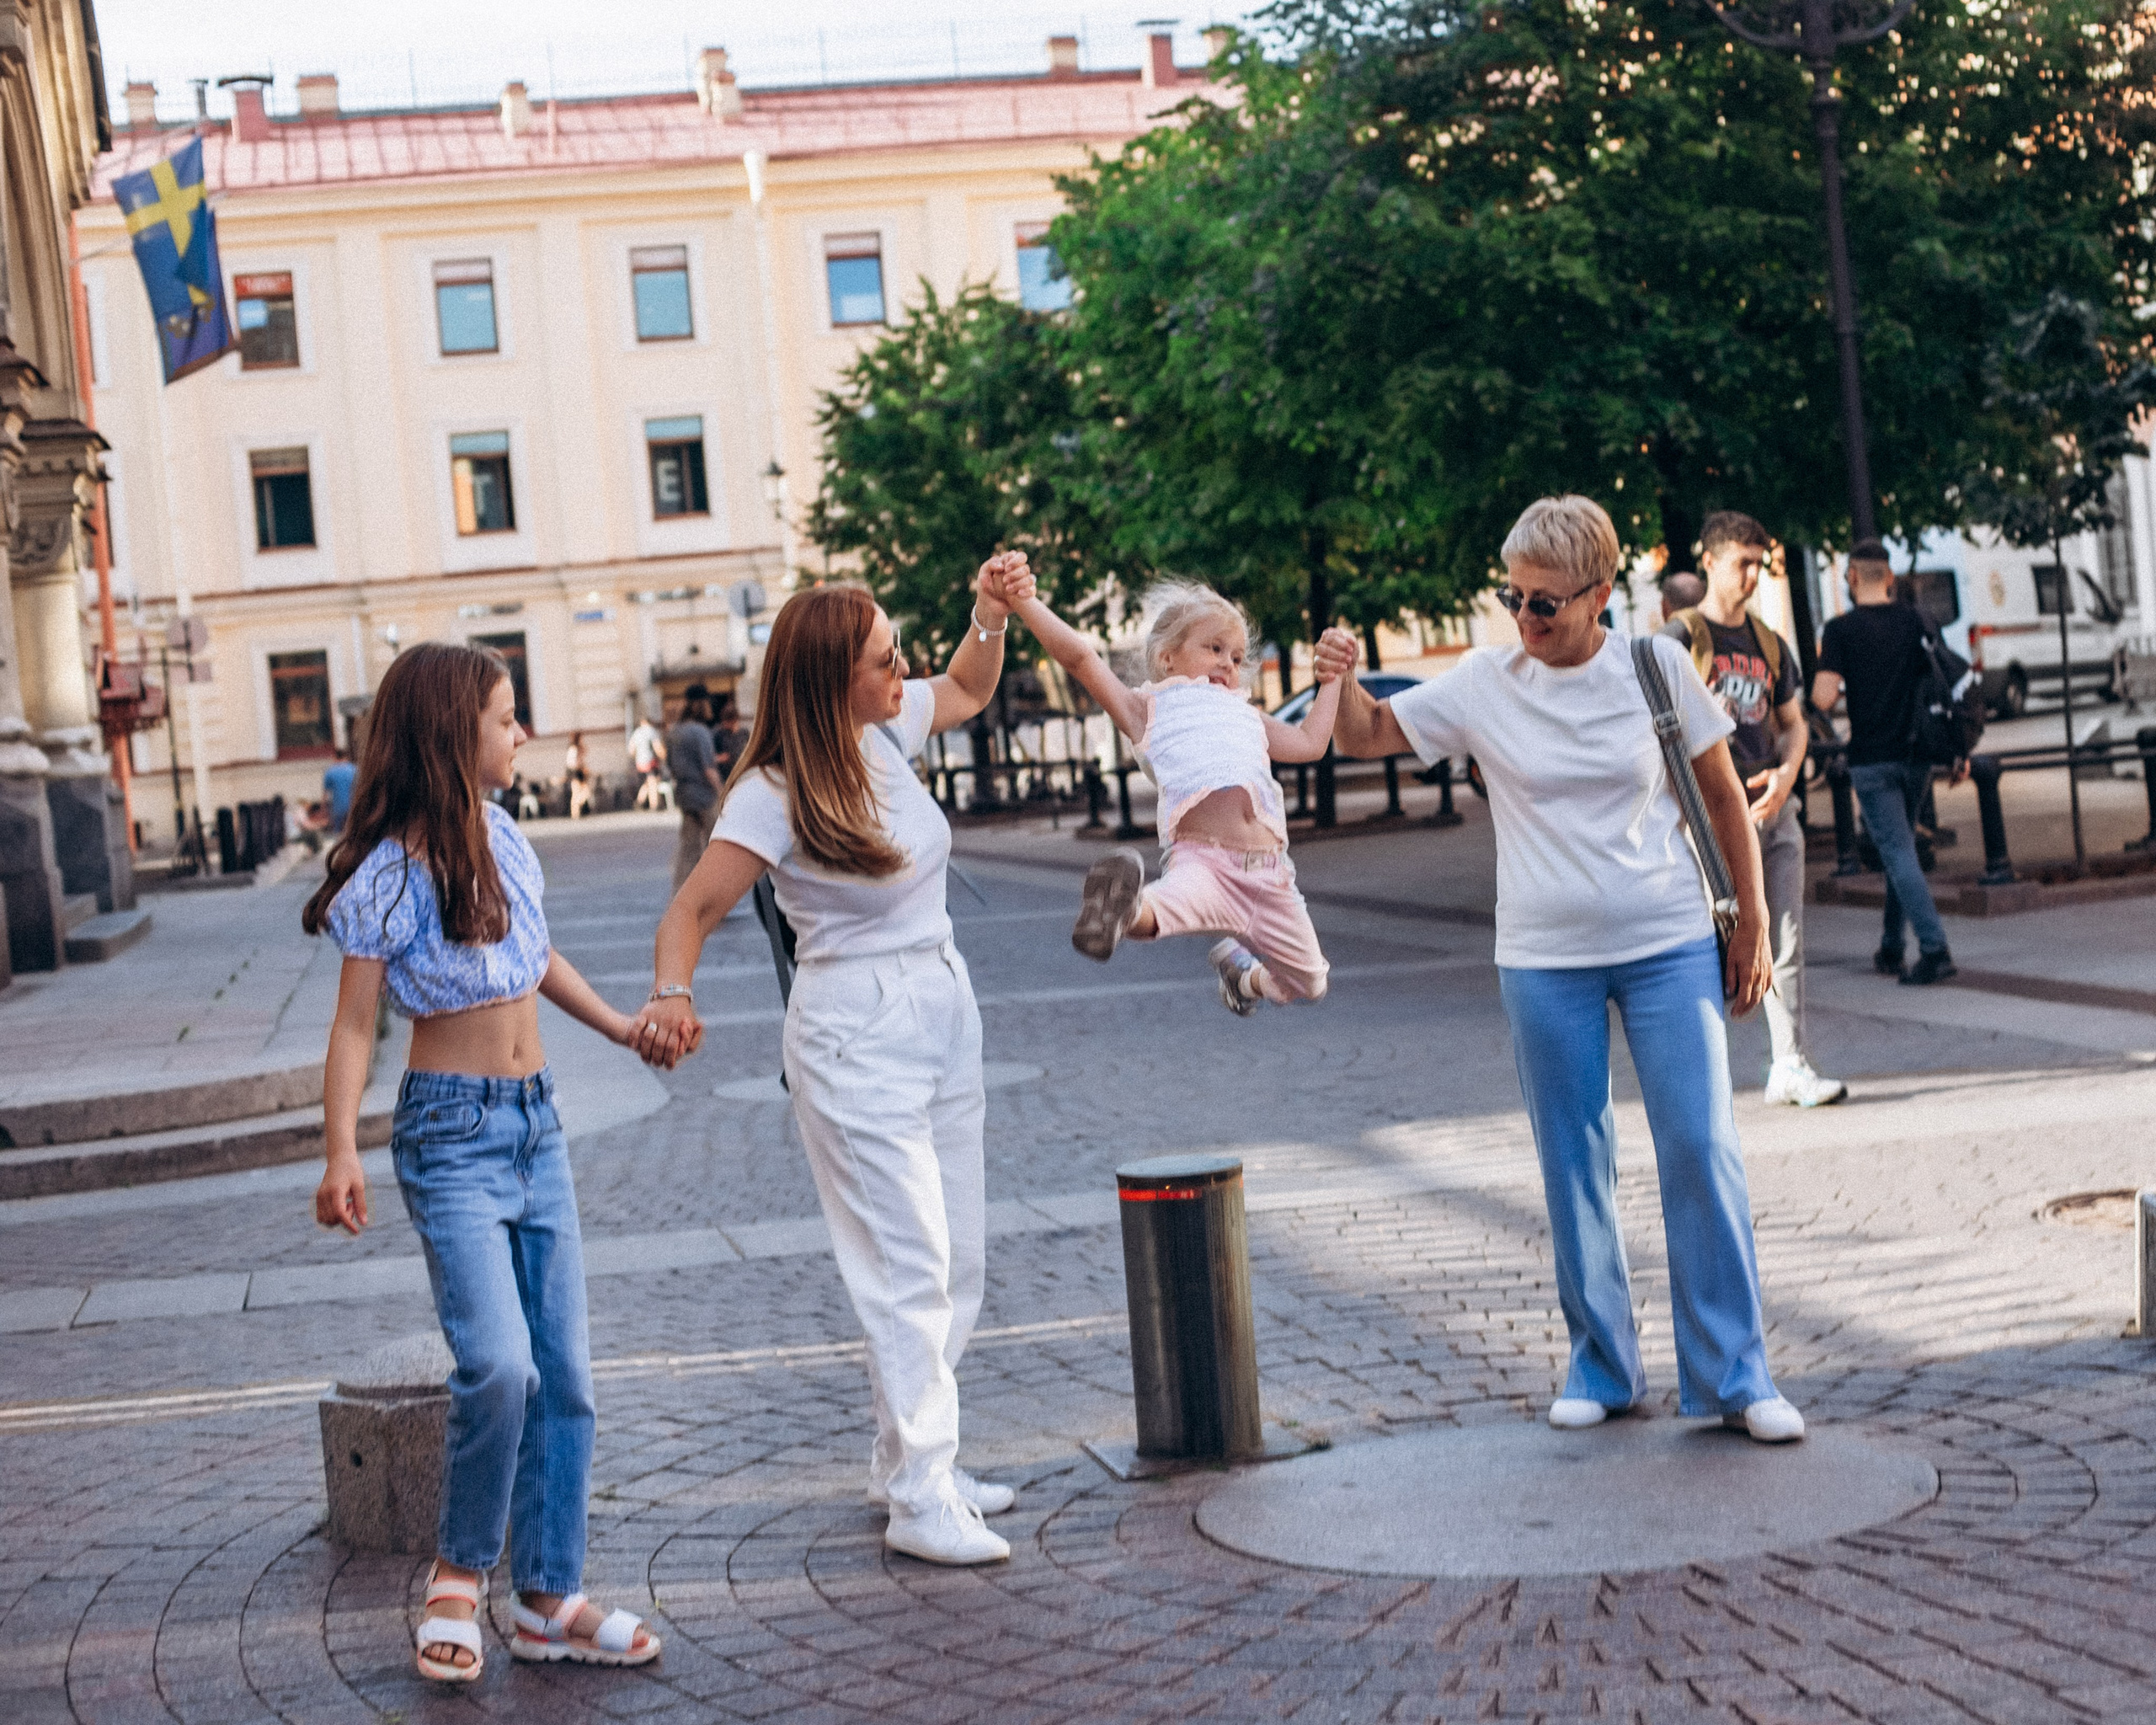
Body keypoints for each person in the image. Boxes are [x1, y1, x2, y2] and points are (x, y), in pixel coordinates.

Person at [1326, 494, 1804, 1443]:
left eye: (1545, 601)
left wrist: (1749, 922)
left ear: (1596, 595)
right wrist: (1339, 679)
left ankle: (1736, 1375)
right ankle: (1603, 1362)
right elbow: (1364, 734)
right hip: (1543, 956)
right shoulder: (1483, 680)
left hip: (1666, 940)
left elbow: (1719, 795)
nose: (1526, 617)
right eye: (1514, 597)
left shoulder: (1654, 661)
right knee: (1572, 1161)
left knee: (1700, 1146)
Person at [637, 557, 1027, 1566]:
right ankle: (921, 1494)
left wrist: (987, 613)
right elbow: (691, 909)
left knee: (960, 1255)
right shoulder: (771, 790)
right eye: (883, 659)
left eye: (900, 654)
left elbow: (974, 685)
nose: (903, 671)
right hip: (856, 1027)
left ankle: (912, 1459)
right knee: (908, 1264)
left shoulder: (884, 732)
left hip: (941, 1000)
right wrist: (672, 994)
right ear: (828, 678)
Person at [302, 642, 663, 1683]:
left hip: (535, 1125)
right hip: (451, 1136)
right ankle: (459, 1573)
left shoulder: (507, 839)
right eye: (508, 718)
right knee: (498, 1364)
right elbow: (353, 1025)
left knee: (568, 1378)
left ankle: (547, 1594)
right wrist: (340, 1150)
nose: (523, 735)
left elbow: (534, 956)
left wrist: (622, 1028)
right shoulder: (385, 875)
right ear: (454, 733)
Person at [1012, 579, 1353, 1014]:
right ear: (1166, 656)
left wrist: (1332, 679)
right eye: (1214, 648)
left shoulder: (1244, 714)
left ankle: (1244, 979)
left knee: (1311, 981)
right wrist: (1024, 601)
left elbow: (1309, 743)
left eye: (1235, 657)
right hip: (1205, 864)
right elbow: (1080, 658)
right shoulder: (1147, 710)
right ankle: (1119, 908)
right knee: (1154, 911)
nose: (1228, 664)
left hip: (1271, 876)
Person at [1663, 513, 1844, 1108]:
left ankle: (1789, 1063)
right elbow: (1646, 732)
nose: (1753, 575)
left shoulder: (1770, 643)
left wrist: (1789, 773)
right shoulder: (1678, 640)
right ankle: (1697, 1078)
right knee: (1707, 947)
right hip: (1707, 825)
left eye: (1759, 564)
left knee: (1784, 939)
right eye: (1743, 562)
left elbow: (1793, 726)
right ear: (1709, 562)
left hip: (1771, 813)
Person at [1813, 540, 1957, 985]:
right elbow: (1942, 681)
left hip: (1872, 760)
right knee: (1902, 852)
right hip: (1916, 755)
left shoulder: (1840, 631)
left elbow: (1822, 697)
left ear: (1852, 577)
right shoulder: (1917, 620)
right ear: (1890, 577)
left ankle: (1934, 949)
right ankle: (1891, 946)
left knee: (1896, 850)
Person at [667, 686, 722, 892]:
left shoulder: (674, 732)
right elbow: (709, 770)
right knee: (717, 847)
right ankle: (714, 895)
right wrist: (722, 792)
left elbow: (671, 767)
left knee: (688, 849)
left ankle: (680, 894)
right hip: (705, 796)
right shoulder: (700, 732)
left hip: (684, 795)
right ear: (702, 704)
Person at [629, 712, 668, 810]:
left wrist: (637, 757)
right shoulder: (652, 731)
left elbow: (631, 749)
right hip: (650, 761)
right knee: (653, 781)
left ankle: (639, 801)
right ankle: (654, 805)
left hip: (640, 762)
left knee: (647, 782)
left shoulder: (637, 732)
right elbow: (657, 747)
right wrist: (663, 757)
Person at [323, 745, 356, 835]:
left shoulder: (330, 772)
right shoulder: (355, 770)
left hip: (338, 807)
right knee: (354, 831)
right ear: (346, 757)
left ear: (335, 757)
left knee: (338, 833)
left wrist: (324, 809)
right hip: (354, 805)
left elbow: (326, 794)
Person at [564, 731, 592, 821]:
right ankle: (575, 812)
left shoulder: (578, 748)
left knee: (584, 792)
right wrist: (581, 767)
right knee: (577, 793)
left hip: (579, 772)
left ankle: (576, 811)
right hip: (575, 773)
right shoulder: (573, 749)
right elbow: (572, 763)